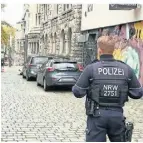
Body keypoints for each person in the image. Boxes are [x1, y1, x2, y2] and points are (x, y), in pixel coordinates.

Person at [72, 35, 143, 142]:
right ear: (114, 50)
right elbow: (137, 93)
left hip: (96, 116)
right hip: (117, 116)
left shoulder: (91, 69)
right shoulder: (126, 69)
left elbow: (78, 92)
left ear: (99, 50)